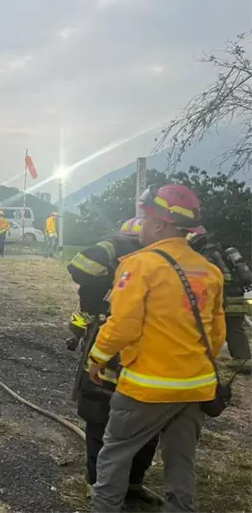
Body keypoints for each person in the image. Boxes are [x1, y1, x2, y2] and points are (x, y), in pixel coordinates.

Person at [90, 184, 226, 513]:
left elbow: (123, 325)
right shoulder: (209, 271)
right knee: (181, 459)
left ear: (161, 224)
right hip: (196, 385)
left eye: (145, 217)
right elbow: (217, 334)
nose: (141, 224)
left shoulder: (140, 265)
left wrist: (97, 357)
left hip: (147, 385)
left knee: (115, 453)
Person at [66, 216, 163, 508]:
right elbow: (80, 267)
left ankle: (131, 485)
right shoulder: (116, 268)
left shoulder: (163, 266)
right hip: (115, 354)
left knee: (141, 427)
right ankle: (99, 485)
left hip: (138, 358)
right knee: (102, 423)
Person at [187, 230, 252, 373]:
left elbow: (207, 279)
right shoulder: (222, 252)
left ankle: (210, 360)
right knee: (235, 328)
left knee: (213, 327)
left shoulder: (206, 255)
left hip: (225, 296)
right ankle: (244, 361)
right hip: (237, 294)